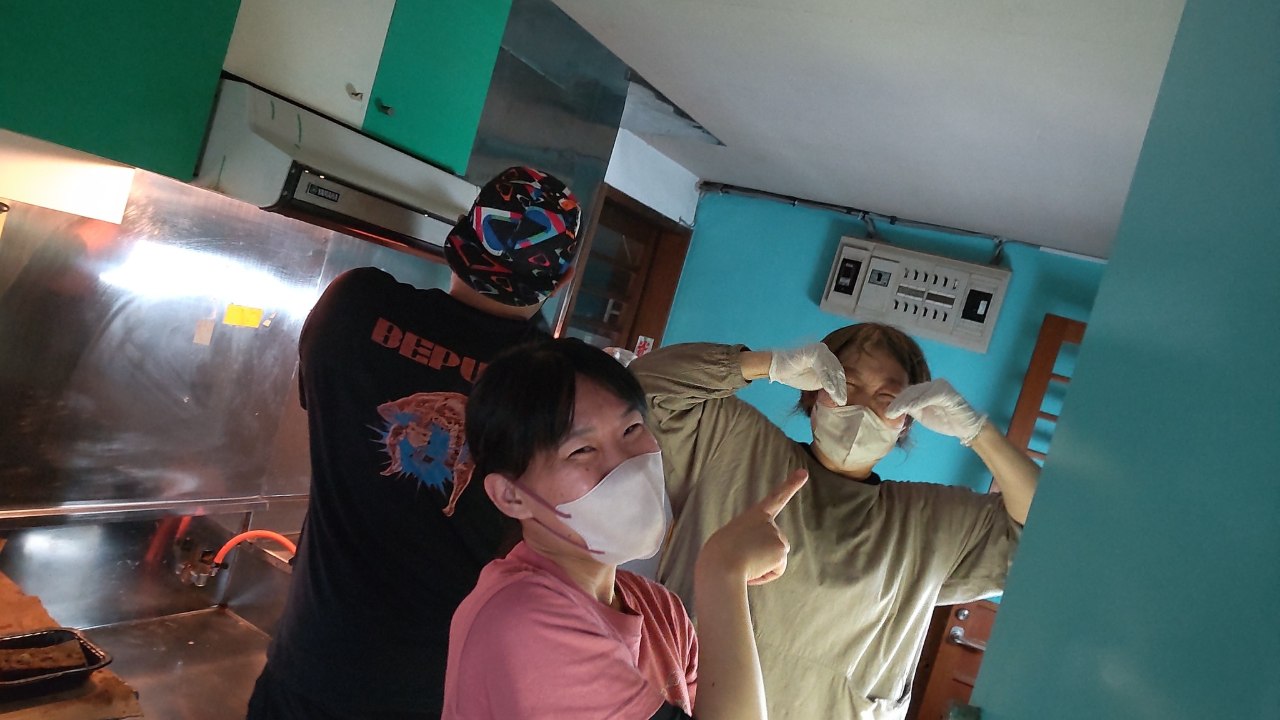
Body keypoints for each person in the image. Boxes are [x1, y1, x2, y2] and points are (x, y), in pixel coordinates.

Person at [247, 167, 584, 719]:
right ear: (563, 279)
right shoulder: (559, 395)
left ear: (459, 236)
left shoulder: (352, 306)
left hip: (308, 666)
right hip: (437, 691)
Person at [628, 324, 1040, 720]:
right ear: (811, 390)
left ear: (909, 419)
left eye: (887, 397)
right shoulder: (735, 443)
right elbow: (638, 391)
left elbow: (1042, 535)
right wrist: (766, 364)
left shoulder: (931, 523)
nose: (861, 408)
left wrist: (978, 432)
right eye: (845, 385)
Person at [443, 337, 805, 720]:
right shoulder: (523, 621)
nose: (626, 466)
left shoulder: (661, 610)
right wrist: (723, 574)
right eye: (582, 450)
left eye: (631, 429)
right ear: (512, 496)